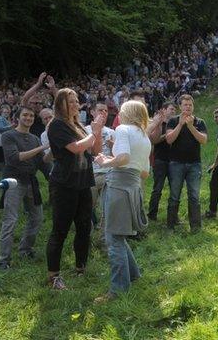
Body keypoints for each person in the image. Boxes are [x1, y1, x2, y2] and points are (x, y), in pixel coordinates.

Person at [45, 88, 106, 290]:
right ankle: (53, 276)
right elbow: (76, 148)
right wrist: (95, 132)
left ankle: (81, 268)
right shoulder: (56, 125)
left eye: (75, 101)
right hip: (64, 185)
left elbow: (94, 150)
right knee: (60, 230)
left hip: (83, 182)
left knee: (84, 227)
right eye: (69, 101)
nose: (73, 104)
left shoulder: (77, 124)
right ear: (59, 104)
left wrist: (97, 133)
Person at [94, 100, 151, 302]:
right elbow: (145, 173)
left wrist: (105, 161)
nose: (118, 114)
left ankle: (118, 290)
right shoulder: (145, 137)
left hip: (118, 186)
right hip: (133, 187)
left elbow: (124, 157)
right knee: (119, 235)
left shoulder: (123, 129)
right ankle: (133, 275)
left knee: (113, 238)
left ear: (127, 113)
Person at [0, 106, 49, 270]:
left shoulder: (34, 138)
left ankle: (25, 250)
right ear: (17, 118)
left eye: (32, 116)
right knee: (10, 220)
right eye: (25, 115)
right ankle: (4, 259)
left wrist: (54, 150)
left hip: (31, 181)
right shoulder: (8, 136)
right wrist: (43, 147)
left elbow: (43, 162)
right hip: (13, 182)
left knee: (37, 217)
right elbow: (14, 158)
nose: (28, 118)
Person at [165, 94, 208, 232]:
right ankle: (171, 226)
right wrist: (180, 124)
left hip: (194, 164)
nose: (188, 107)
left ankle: (195, 227)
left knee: (194, 196)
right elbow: (169, 139)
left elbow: (203, 140)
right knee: (174, 195)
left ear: (193, 106)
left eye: (190, 105)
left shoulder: (200, 122)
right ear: (180, 106)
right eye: (185, 105)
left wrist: (190, 126)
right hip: (176, 164)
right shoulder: (172, 121)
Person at [84, 104, 115, 233]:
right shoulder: (84, 130)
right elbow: (89, 152)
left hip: (108, 174)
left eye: (106, 110)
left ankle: (104, 238)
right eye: (100, 110)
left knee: (107, 209)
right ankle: (87, 237)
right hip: (91, 174)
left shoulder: (112, 132)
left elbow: (117, 156)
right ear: (92, 112)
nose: (103, 112)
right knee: (88, 208)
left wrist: (113, 146)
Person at [146, 101, 177, 221]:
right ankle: (152, 215)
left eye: (175, 109)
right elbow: (154, 141)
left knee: (175, 189)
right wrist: (169, 135)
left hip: (174, 161)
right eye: (171, 109)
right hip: (160, 160)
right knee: (157, 189)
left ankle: (173, 216)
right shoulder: (159, 124)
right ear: (164, 110)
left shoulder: (176, 124)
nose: (173, 111)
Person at [0, 104, 13, 172]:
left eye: (7, 112)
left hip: (5, 138)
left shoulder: (5, 119)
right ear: (1, 112)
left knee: (2, 154)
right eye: (5, 112)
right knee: (0, 154)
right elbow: (1, 128)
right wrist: (11, 126)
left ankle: (2, 170)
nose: (6, 114)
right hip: (0, 138)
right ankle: (1, 170)